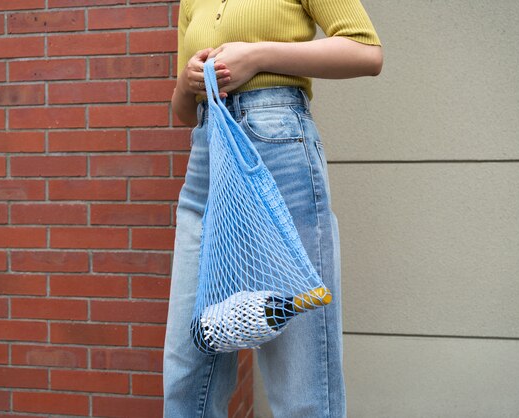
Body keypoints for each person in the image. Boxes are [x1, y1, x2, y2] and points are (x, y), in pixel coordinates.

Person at [163, 0, 383, 416]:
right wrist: (185, 83)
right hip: (208, 159)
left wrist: (258, 54)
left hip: (277, 145)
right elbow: (182, 111)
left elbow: (366, 51)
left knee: (300, 376)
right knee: (186, 371)